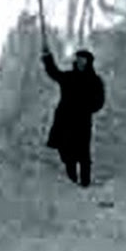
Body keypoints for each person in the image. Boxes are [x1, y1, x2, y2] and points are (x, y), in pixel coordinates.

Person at [41, 45, 105, 187]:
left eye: (83, 60)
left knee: (83, 153)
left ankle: (85, 183)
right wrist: (47, 57)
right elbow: (54, 73)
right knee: (66, 150)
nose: (80, 62)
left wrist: (85, 108)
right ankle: (72, 181)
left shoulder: (95, 81)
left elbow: (99, 102)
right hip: (65, 120)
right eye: (78, 59)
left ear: (88, 62)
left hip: (82, 121)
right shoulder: (69, 77)